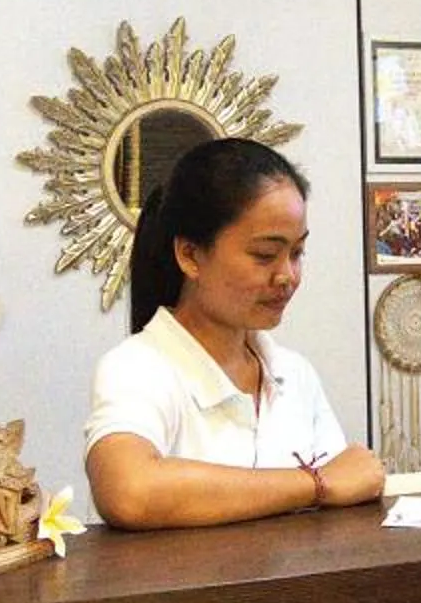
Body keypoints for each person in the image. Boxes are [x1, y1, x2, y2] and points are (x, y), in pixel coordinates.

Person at [84, 137, 385, 529]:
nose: (287, 276)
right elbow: (128, 492)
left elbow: (347, 493)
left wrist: (331, 485)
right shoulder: (138, 367)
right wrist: (315, 484)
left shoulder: (294, 373)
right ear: (190, 255)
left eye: (296, 254)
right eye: (265, 255)